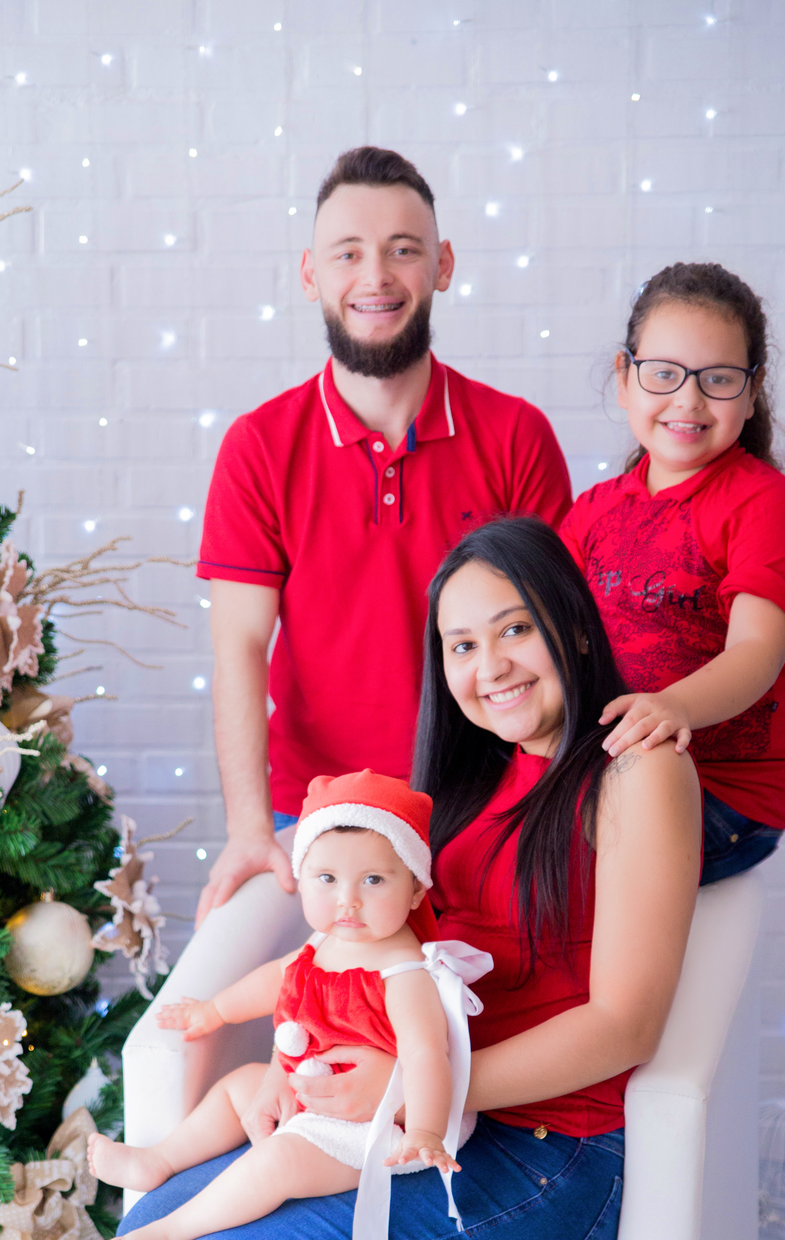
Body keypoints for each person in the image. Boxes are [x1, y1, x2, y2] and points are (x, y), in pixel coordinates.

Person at [118, 517, 701, 1240]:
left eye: (515, 631)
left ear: (571, 624)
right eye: (459, 645)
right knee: (155, 1232)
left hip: (548, 1174)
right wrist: (318, 1052)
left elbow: (627, 1025)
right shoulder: (477, 785)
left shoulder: (640, 772)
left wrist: (406, 1090)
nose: (488, 666)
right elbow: (383, 960)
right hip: (423, 1139)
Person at [194, 144, 572, 926]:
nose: (376, 277)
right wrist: (247, 831)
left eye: (404, 251)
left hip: (489, 815)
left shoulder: (515, 436)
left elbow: (555, 645)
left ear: (443, 266)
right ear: (310, 275)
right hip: (326, 826)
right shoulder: (258, 448)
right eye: (349, 254)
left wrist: (550, 815)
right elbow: (238, 649)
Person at [90, 771, 491, 1240]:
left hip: (368, 1124)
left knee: (278, 1161)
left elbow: (425, 1056)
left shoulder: (404, 971)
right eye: (327, 879)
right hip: (314, 1087)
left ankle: (170, 1232)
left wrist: (425, 1132)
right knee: (238, 1086)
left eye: (373, 880)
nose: (348, 901)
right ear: (303, 877)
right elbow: (278, 979)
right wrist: (213, 1011)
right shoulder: (325, 941)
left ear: (416, 889)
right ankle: (158, 1159)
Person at [561, 262, 785, 884]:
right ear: (625, 379)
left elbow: (758, 650)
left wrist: (673, 705)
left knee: (546, 858)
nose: (688, 399)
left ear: (753, 389)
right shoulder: (594, 510)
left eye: (718, 379)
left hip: (726, 797)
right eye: (663, 374)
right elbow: (554, 634)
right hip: (621, 770)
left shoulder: (764, 504)